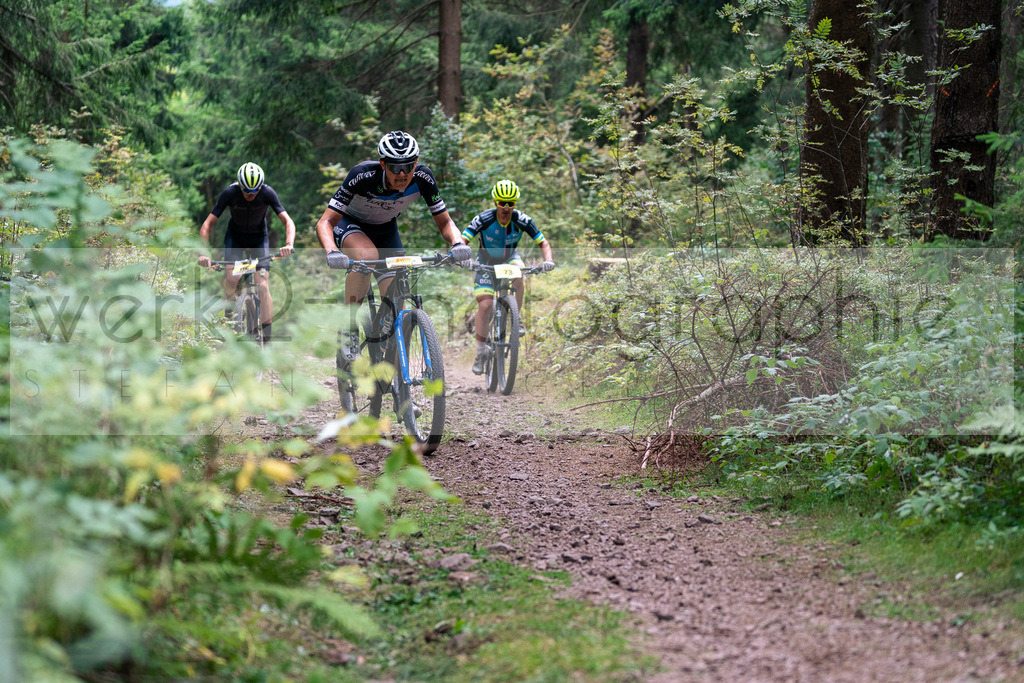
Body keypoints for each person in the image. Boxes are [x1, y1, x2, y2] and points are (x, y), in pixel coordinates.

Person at [315, 130, 471, 358]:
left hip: (385, 231)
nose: (402, 174)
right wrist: (332, 251)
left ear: (415, 163)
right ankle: (348, 326)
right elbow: (325, 222)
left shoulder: (423, 178)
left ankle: (394, 375)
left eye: (408, 166)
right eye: (395, 167)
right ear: (382, 164)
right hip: (350, 224)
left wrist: (457, 244)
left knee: (397, 303)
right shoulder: (362, 175)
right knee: (367, 256)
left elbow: (445, 222)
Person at [462, 179, 554, 374]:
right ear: (495, 201)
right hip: (485, 262)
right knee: (485, 305)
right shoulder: (484, 219)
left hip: (510, 258)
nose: (505, 207)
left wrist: (548, 260)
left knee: (520, 275)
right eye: (502, 203)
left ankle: (516, 317)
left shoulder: (522, 220)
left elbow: (543, 243)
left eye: (510, 203)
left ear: (515, 204)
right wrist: (464, 257)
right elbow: (462, 240)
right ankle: (480, 352)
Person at [197, 162, 296, 342]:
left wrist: (288, 244)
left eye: (254, 191)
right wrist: (202, 254)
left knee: (263, 286)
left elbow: (287, 221)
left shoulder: (267, 193)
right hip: (235, 239)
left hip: (258, 239)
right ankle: (229, 327)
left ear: (260, 187)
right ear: (240, 186)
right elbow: (207, 224)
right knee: (232, 280)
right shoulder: (230, 193)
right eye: (246, 191)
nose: (251, 195)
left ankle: (267, 338)